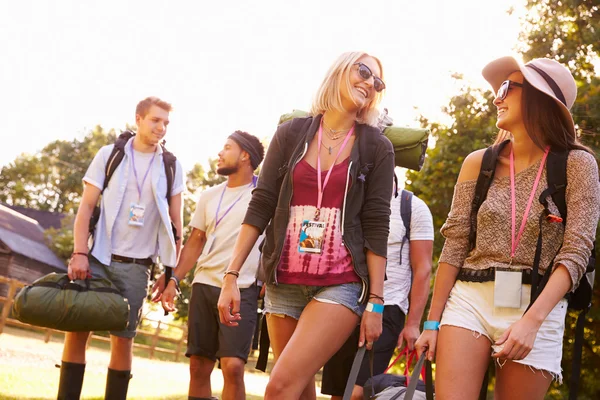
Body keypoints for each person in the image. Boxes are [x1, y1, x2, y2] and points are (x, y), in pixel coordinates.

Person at [415, 57, 600, 400]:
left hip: (538, 306)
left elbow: (576, 252)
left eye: (506, 88)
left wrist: (532, 322)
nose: (496, 99)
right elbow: (454, 246)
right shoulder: (478, 163)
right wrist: (431, 322)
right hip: (470, 300)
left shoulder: (578, 165)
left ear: (539, 97)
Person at [217, 51, 396, 400]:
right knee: (297, 391)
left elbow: (377, 225)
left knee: (279, 387)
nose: (369, 83)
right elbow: (262, 203)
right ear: (340, 71)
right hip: (284, 278)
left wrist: (375, 301)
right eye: (363, 71)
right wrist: (231, 275)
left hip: (341, 283)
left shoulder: (377, 148)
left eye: (377, 81)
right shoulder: (290, 134)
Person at [58, 96, 185, 400]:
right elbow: (86, 208)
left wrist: (170, 274)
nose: (161, 127)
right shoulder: (110, 155)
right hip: (98, 259)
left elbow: (176, 225)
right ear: (139, 119)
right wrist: (79, 253)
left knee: (123, 341)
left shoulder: (171, 166)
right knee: (77, 332)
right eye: (156, 120)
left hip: (137, 267)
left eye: (166, 123)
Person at [158, 131, 265, 400]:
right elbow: (195, 241)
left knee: (233, 366)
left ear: (245, 155)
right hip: (204, 284)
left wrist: (266, 281)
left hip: (241, 287)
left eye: (227, 148)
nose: (220, 153)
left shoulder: (263, 194)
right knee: (198, 365)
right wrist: (174, 280)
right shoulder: (208, 196)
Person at [322, 179, 434, 400]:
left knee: (357, 393)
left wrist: (412, 324)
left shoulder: (412, 207)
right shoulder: (347, 201)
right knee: (338, 393)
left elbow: (423, 268)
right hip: (343, 302)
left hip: (388, 308)